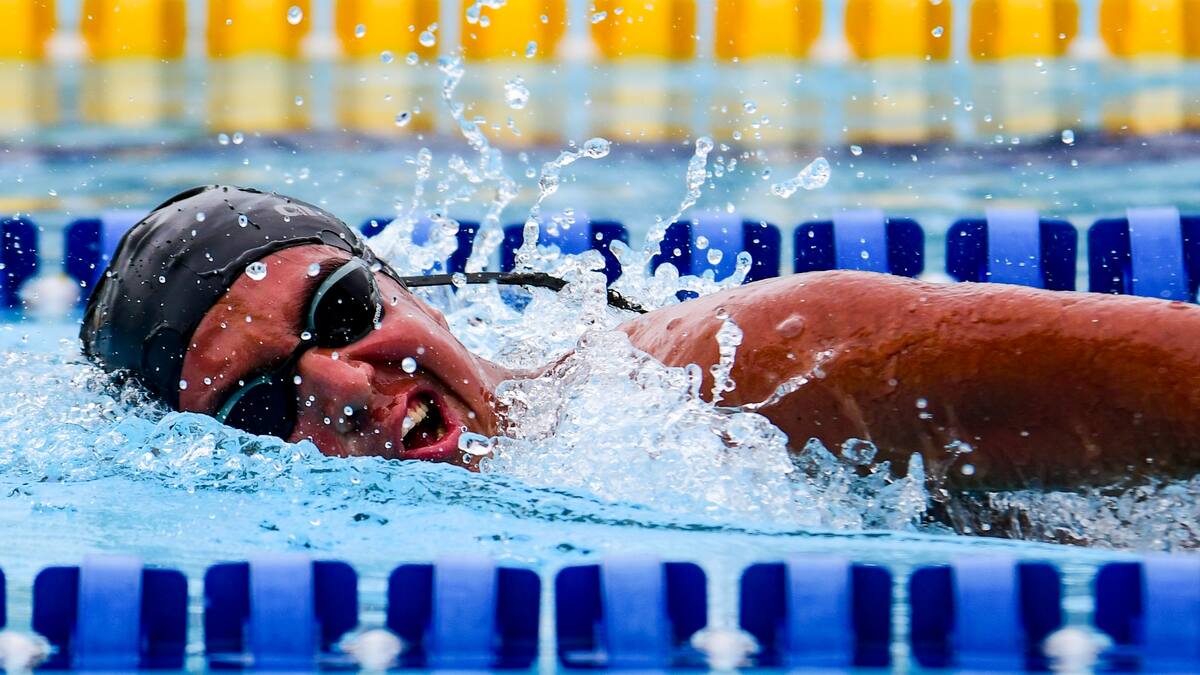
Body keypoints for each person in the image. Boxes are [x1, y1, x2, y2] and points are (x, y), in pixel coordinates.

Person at [82, 185, 1200, 493]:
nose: (340, 381)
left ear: (404, 284)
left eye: (340, 311)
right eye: (260, 410)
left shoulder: (755, 365)